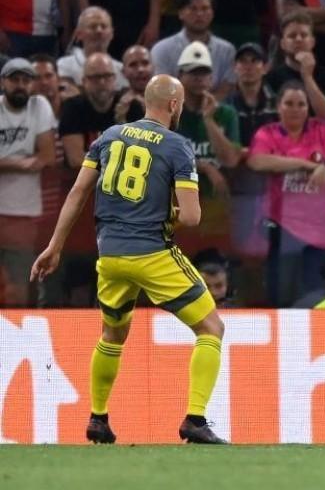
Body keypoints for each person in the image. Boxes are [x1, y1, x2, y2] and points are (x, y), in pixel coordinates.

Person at [30, 74, 227, 444]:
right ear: (173, 105)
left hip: (111, 256)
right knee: (211, 329)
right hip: (153, 254)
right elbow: (191, 217)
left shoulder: (108, 136)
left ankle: (98, 419)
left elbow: (76, 192)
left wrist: (55, 246)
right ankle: (195, 419)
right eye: (180, 103)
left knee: (112, 335)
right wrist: (164, 211)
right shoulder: (178, 146)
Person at [248, 81, 325, 307]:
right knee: (279, 294)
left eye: (301, 104)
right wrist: (305, 165)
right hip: (281, 227)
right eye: (288, 103)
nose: (295, 109)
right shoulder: (268, 133)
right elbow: (257, 161)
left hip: (320, 231)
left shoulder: (322, 130)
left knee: (315, 294)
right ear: (278, 106)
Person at [0, 59, 57, 307]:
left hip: (23, 213)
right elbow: (33, 161)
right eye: (14, 80)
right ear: (4, 82)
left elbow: (46, 157)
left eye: (26, 80)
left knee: (17, 287)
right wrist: (22, 162)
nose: (20, 85)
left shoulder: (39, 105)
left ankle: (12, 344)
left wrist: (4, 161)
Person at [175, 41, 241, 197]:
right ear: (180, 76)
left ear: (211, 78)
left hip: (217, 201)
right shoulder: (169, 114)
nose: (199, 78)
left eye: (204, 73)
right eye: (193, 72)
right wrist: (206, 167)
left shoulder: (227, 114)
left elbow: (230, 160)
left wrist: (208, 119)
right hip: (177, 200)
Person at [59, 53, 145, 168]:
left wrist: (122, 120)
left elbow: (143, 154)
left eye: (107, 76)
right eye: (96, 77)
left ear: (115, 79)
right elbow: (76, 160)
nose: (102, 82)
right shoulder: (72, 107)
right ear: (84, 81)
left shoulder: (130, 106)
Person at [151, 0, 238, 97]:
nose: (199, 14)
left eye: (205, 8)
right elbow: (162, 88)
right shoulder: (161, 49)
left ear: (212, 13)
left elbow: (228, 85)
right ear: (181, 13)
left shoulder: (227, 50)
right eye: (193, 9)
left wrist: (208, 108)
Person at [57, 8, 128, 89]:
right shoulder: (63, 66)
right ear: (79, 34)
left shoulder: (121, 69)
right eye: (93, 27)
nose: (99, 31)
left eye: (104, 26)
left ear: (111, 34)